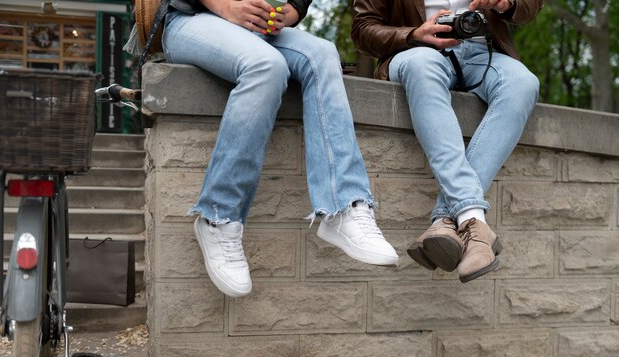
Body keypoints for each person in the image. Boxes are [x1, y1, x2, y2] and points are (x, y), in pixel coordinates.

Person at [161, 0, 399, 297]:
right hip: (191, 18)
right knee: (267, 66)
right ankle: (218, 218)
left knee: (323, 53)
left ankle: (343, 206)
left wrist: (292, 9)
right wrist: (224, 6)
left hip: (260, 28)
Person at [352, 0, 541, 282]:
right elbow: (362, 29)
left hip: (484, 52)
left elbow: (532, 6)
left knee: (523, 83)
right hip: (417, 52)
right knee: (423, 65)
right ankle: (473, 222)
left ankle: (445, 220)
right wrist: (414, 34)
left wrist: (508, 3)